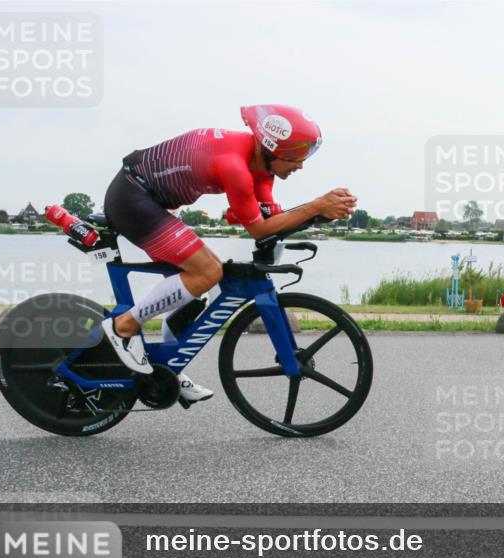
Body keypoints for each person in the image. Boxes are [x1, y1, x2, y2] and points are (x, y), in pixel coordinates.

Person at [100, 104, 356, 404]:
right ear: (272, 149)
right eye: (296, 157)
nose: (300, 166)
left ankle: (168, 365)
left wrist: (319, 215)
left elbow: (270, 220)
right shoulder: (235, 165)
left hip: (151, 200)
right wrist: (314, 206)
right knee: (208, 271)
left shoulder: (261, 167)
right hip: (133, 198)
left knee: (192, 286)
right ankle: (123, 326)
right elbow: (260, 230)